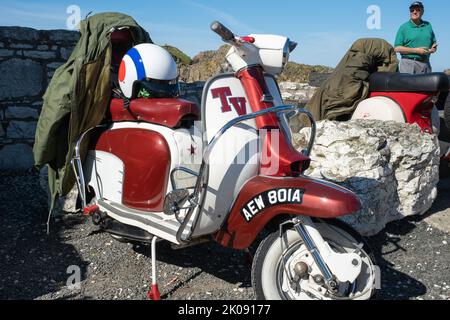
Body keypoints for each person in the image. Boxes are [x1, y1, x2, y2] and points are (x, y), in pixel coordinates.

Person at [394, 1, 437, 74]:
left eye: (417, 10)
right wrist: (416, 50)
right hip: (408, 64)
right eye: (412, 10)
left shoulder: (428, 25)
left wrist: (433, 48)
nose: (414, 12)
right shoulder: (404, 27)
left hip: (426, 64)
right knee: (407, 86)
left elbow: (434, 43)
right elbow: (397, 48)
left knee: (427, 86)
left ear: (422, 11)